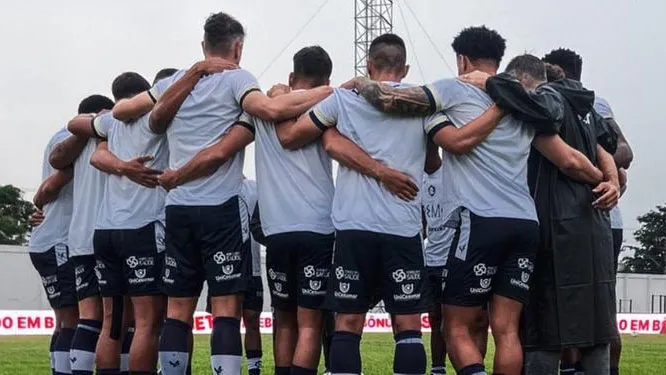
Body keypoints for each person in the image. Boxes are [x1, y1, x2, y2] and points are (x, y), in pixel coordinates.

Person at [344, 27, 613, 375]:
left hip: (480, 221)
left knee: (456, 326)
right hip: (525, 225)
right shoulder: (522, 103)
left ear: (462, 59)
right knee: (506, 329)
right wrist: (606, 181)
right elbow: (570, 161)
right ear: (497, 61)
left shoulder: (455, 88)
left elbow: (391, 100)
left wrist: (360, 83)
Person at [112, 12, 333, 375]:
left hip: (177, 210)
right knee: (227, 310)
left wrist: (193, 74)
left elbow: (131, 113)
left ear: (203, 45)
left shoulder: (174, 80)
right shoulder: (238, 78)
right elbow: (270, 110)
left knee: (177, 312)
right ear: (238, 47)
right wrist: (330, 91)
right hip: (220, 208)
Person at [461, 53, 621, 375]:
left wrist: (494, 84)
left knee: (545, 326)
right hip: (594, 225)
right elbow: (609, 145)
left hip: (557, 226)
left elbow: (569, 159)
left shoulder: (547, 98)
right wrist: (611, 178)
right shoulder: (585, 105)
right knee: (596, 327)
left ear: (522, 82)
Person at [67, 70, 177, 375]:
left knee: (112, 321)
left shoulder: (111, 122)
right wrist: (127, 168)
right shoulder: (158, 118)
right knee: (146, 323)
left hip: (105, 232)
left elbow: (76, 127)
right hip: (142, 228)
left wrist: (119, 166)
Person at [543, 48, 633, 375]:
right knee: (582, 311)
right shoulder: (566, 103)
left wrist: (602, 173)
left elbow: (623, 150)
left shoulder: (593, 105)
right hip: (588, 213)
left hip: (591, 215)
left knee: (590, 314)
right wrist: (609, 176)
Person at [49, 94, 115, 375]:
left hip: (79, 239)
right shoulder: (111, 132)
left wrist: (40, 203)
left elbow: (54, 169)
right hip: (106, 234)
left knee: (84, 318)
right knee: (118, 319)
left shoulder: (68, 141)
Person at [29, 125, 77, 375]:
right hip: (59, 241)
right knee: (72, 319)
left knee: (63, 320)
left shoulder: (60, 137)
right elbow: (48, 189)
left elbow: (42, 195)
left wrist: (38, 207)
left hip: (52, 239)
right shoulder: (73, 141)